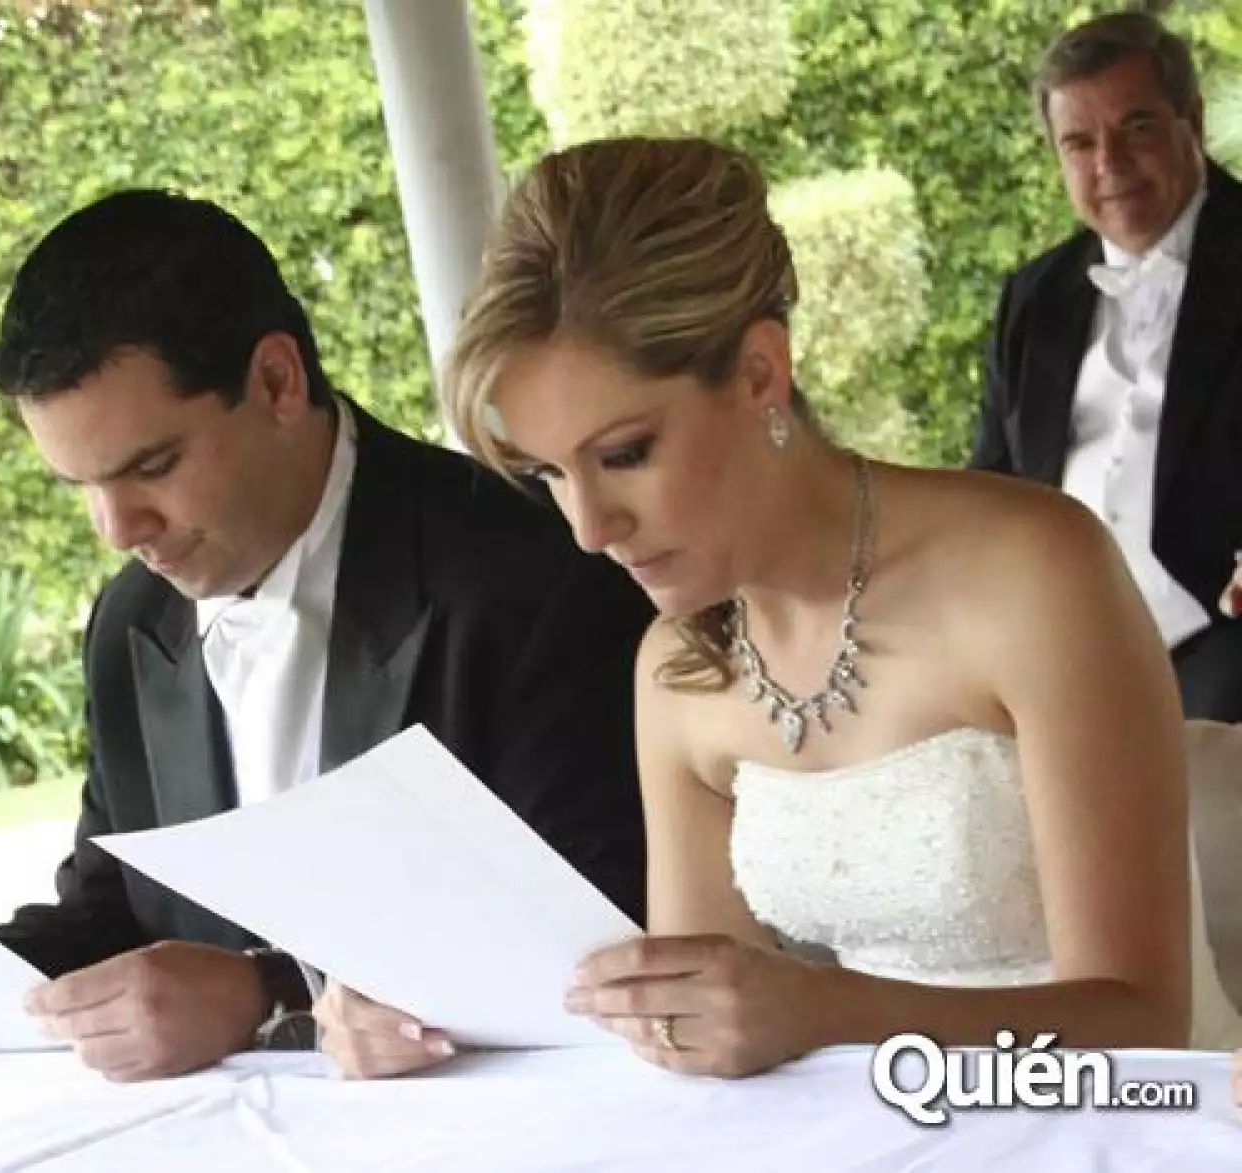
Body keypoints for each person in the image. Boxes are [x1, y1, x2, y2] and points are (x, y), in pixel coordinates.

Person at [400, 131, 1242, 1082]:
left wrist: (828, 1011)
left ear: (761, 370)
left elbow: (1144, 1020)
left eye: (626, 452)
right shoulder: (678, 670)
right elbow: (705, 1033)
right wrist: (437, 1008)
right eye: (551, 473)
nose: (589, 528)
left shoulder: (1032, 571)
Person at [0, 190, 653, 1085]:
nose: (117, 528)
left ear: (277, 382)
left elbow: (606, 934)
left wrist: (265, 994)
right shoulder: (131, 625)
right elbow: (109, 912)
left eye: (151, 466)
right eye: (80, 487)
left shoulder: (534, 570)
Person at [972, 11, 1242, 721]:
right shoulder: (1032, 299)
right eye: (1079, 143)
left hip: (1226, 643)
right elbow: (990, 489)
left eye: (1138, 128)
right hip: (1062, 657)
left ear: (1192, 117)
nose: (1109, 164)